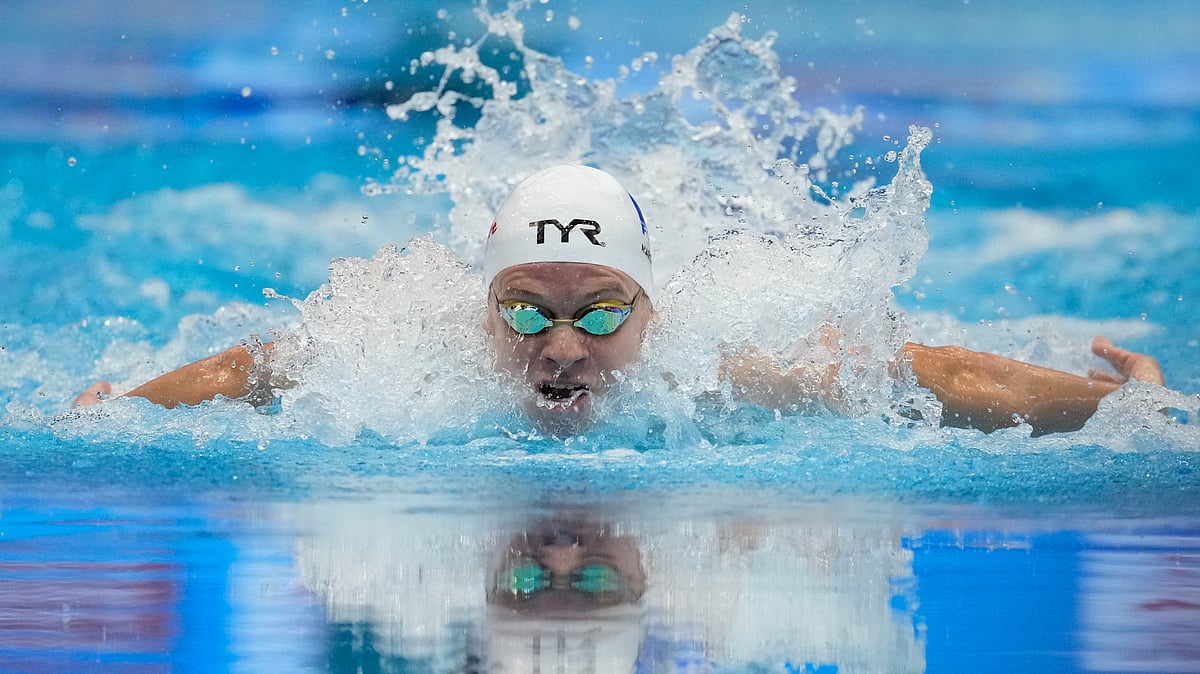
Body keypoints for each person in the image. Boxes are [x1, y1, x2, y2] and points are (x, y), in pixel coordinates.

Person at [73, 164, 1165, 436]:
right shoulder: (407, 365)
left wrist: (1131, 406)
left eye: (599, 310)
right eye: (523, 308)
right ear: (481, 302)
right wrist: (115, 409)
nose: (559, 346)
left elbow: (934, 371)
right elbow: (249, 367)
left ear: (653, 311)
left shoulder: (731, 369)